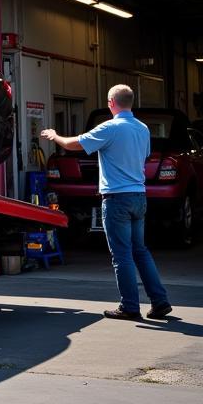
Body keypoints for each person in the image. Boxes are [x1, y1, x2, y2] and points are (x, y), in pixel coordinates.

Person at [41, 84, 172, 321]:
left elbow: (75, 144)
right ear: (130, 102)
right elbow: (143, 157)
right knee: (140, 250)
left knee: (121, 255)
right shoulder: (143, 129)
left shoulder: (110, 128)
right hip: (139, 196)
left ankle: (130, 306)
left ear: (111, 103)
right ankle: (160, 301)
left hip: (117, 199)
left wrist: (54, 136)